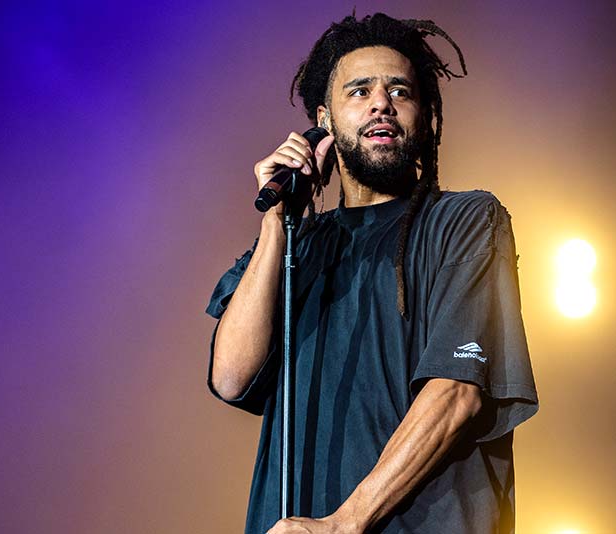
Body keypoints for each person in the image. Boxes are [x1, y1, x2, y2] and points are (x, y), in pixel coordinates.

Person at [205, 13, 538, 534]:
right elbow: (230, 377)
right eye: (359, 91)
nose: (381, 102)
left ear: (425, 118)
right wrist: (276, 223)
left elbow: (457, 392)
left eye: (399, 91)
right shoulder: (296, 244)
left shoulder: (465, 220)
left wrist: (342, 524)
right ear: (325, 120)